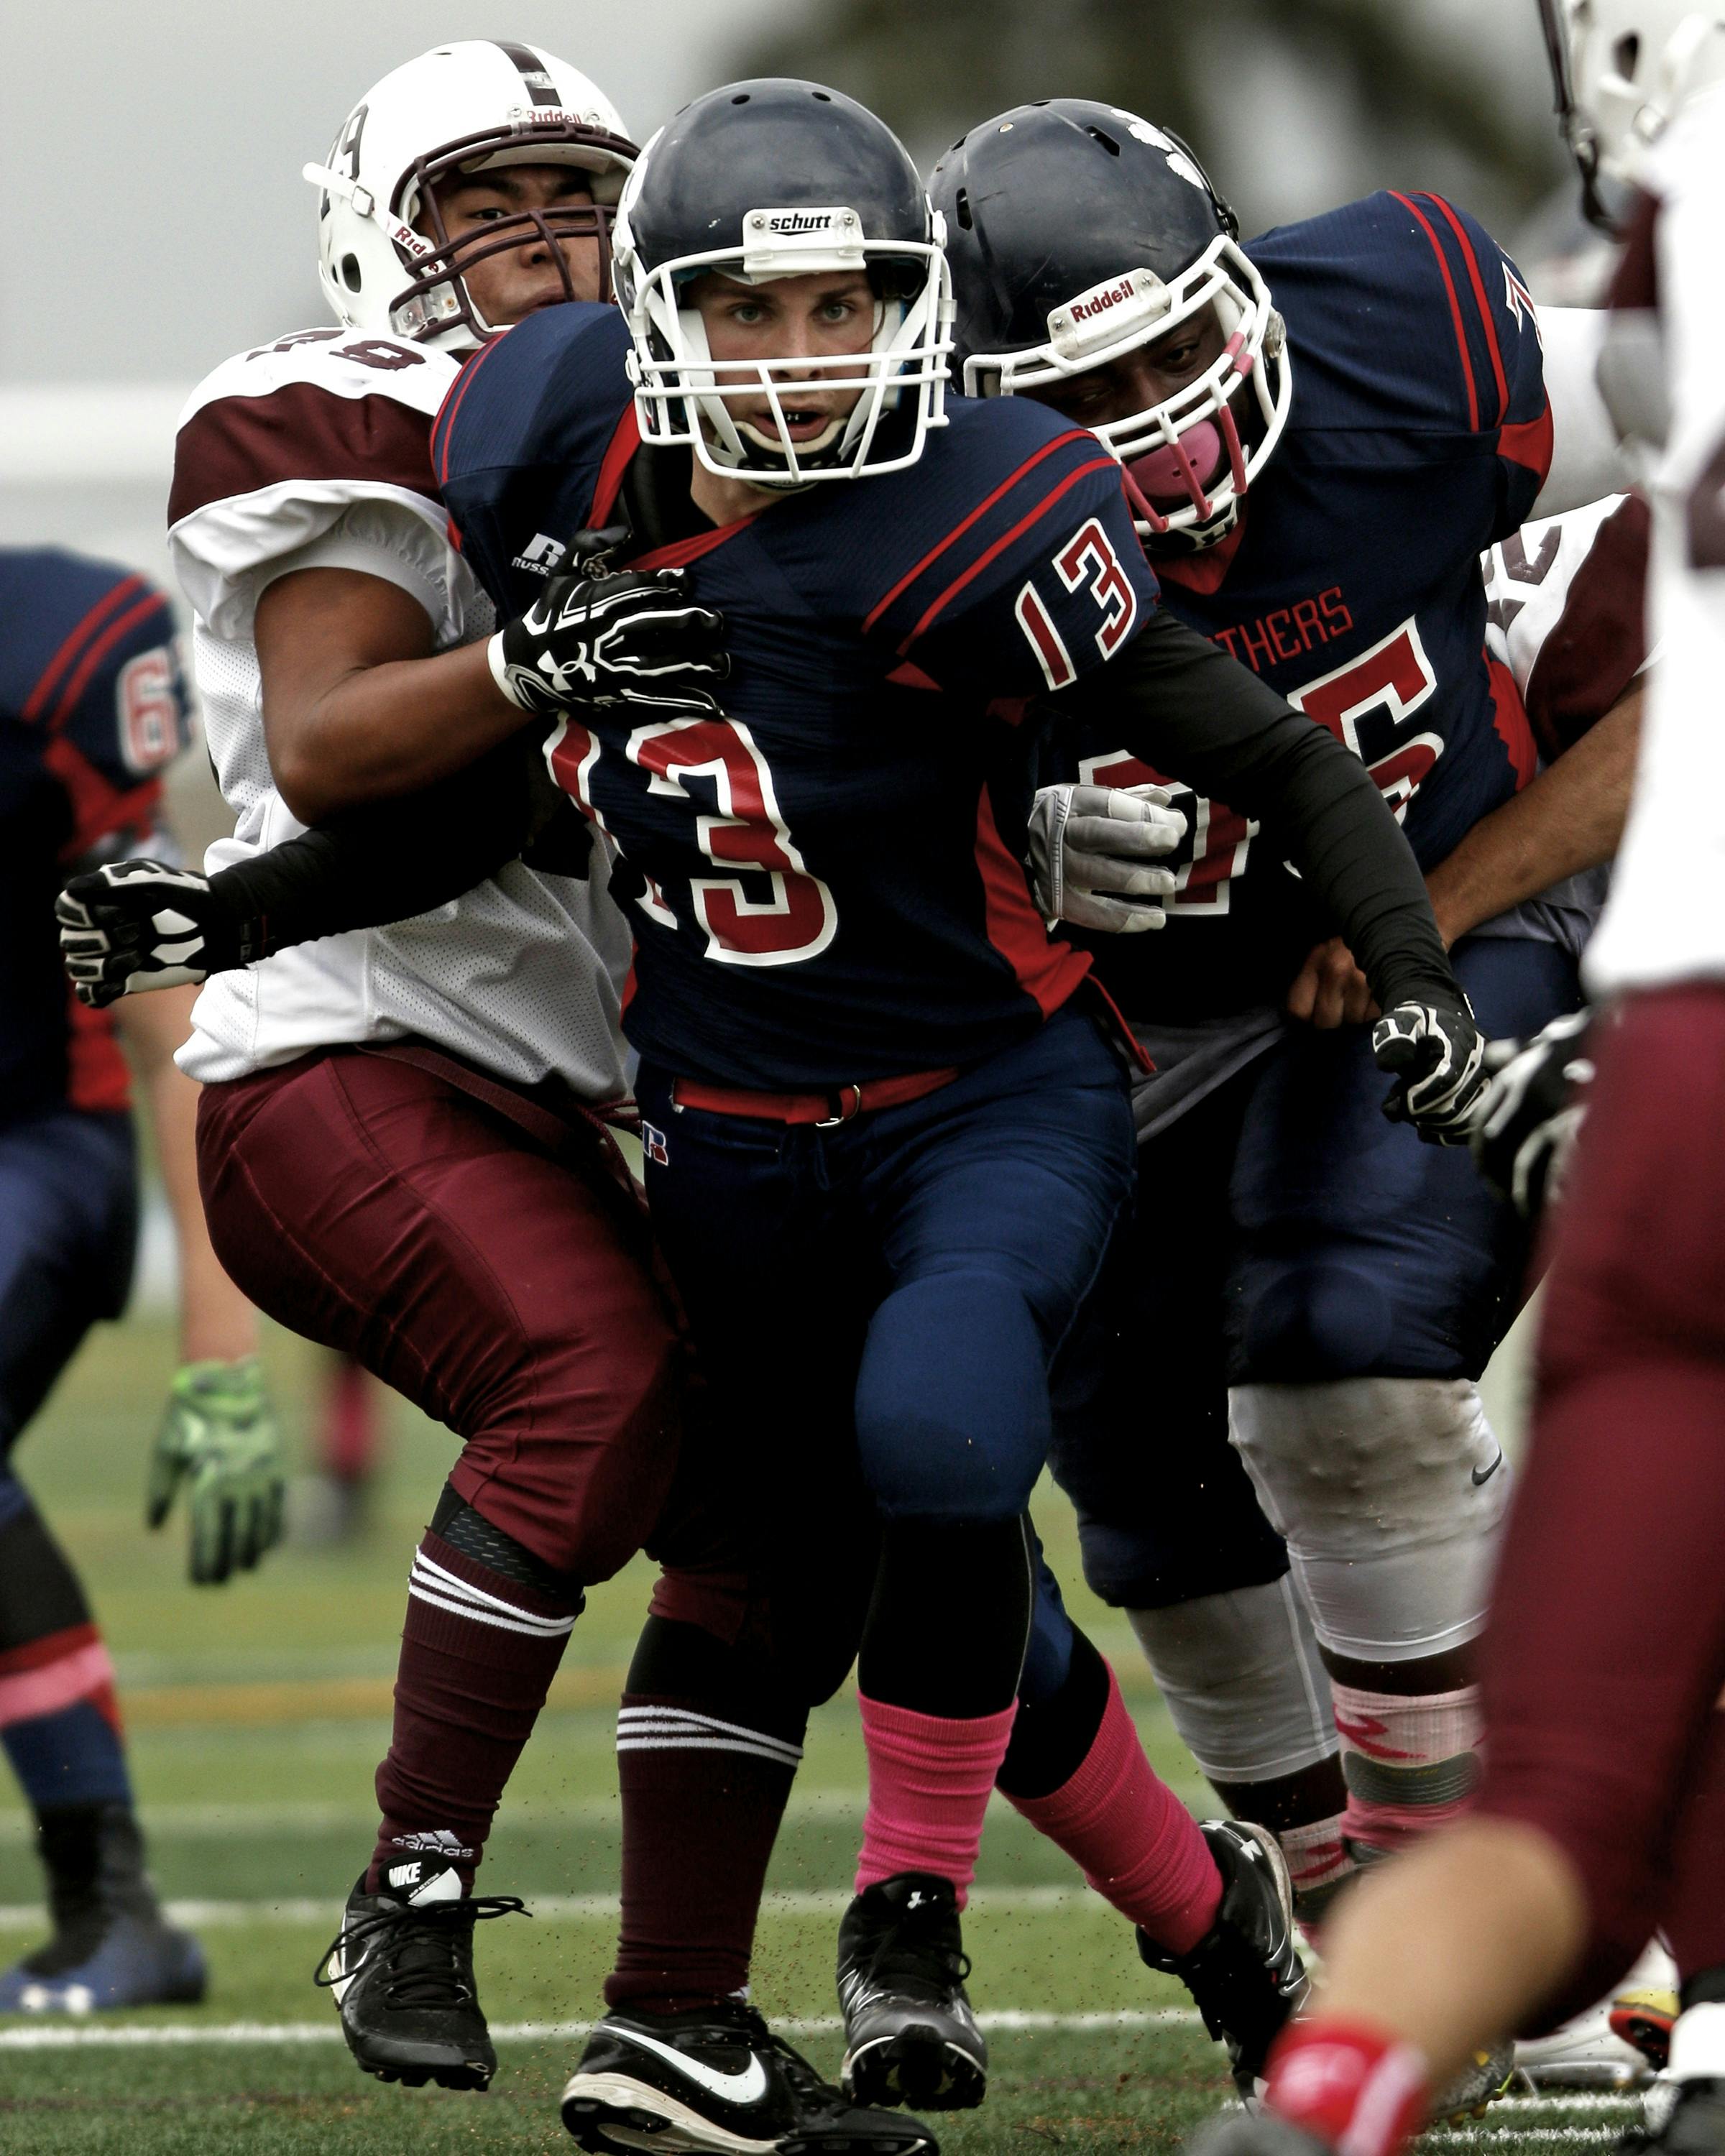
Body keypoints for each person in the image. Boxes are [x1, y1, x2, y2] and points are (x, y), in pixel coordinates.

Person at [68, 75, 1501, 2122]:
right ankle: (524, 1917)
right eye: (748, 313)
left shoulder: (977, 494)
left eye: (844, 314)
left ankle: (878, 1942)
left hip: (880, 1098)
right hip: (635, 1114)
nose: (803, 361)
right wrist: (228, 894)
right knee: (735, 1498)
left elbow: (1239, 743)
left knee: (907, 1496)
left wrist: (1123, 834)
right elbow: (402, 807)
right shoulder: (511, 459)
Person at [57, 46, 933, 2155]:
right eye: (493, 196)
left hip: (577, 1099)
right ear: (388, 230)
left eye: (579, 189)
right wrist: (544, 666)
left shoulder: (720, 433)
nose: (547, 230)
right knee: (599, 1380)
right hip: (345, 1050)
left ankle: (680, 2028)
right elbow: (352, 750)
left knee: (782, 1532)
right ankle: (412, 1888)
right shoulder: (346, 413)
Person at [930, 103, 1644, 1954]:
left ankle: (1472, 1907)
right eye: (1095, 392)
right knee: (1148, 1493)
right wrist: (1001, 836)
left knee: (1347, 1349)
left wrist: (1456, 893)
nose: (1165, 420)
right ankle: (1333, 1917)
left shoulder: (1413, 343)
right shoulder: (918, 513)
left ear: (1250, 290)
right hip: (1137, 1025)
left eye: (1182, 348)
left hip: (1433, 927)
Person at [1158, 6, 1725, 2155]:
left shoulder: (1449, 348)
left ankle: (1320, 2104)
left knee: (1562, 1788)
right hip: (1627, 1037)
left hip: (1661, 1038)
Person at [0, 545, 281, 2012]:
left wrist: (219, 1355)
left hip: (37, 1142)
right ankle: (112, 1908)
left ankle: (112, 1906)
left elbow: (168, 1024)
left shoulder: (56, 663)